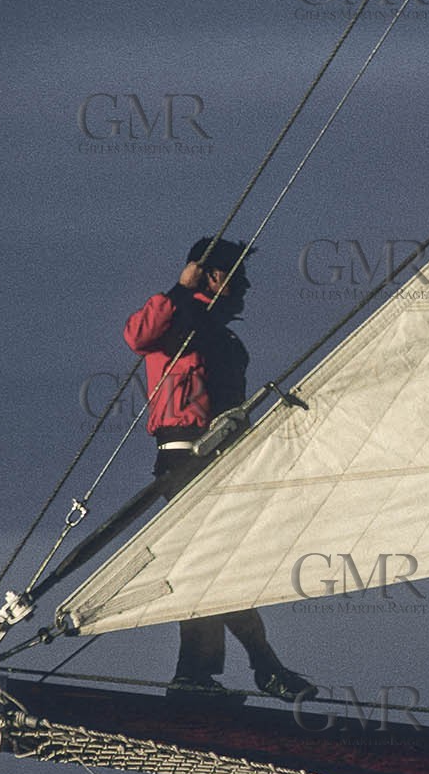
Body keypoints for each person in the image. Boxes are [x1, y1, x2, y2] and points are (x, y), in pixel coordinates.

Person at [123, 235, 317, 703]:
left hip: (225, 460)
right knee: (209, 562)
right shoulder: (175, 319)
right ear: (213, 276)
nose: (246, 286)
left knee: (219, 563)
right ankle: (239, 669)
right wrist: (180, 287)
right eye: (238, 275)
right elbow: (137, 336)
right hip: (184, 458)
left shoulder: (226, 338)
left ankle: (215, 673)